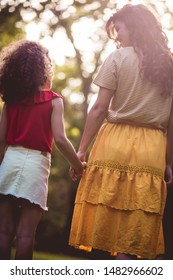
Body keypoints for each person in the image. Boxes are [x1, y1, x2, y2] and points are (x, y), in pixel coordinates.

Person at [69, 4, 173, 260]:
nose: (116, 35)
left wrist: (81, 150)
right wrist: (168, 161)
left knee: (112, 223)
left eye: (119, 28)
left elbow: (99, 109)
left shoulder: (117, 58)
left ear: (134, 28)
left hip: (114, 143)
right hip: (152, 149)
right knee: (135, 228)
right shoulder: (169, 66)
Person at [0, 40, 84, 260]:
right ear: (43, 69)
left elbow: (1, 141)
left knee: (4, 231)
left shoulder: (12, 100)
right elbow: (61, 140)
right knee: (26, 234)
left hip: (9, 161)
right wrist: (78, 166)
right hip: (36, 165)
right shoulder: (54, 101)